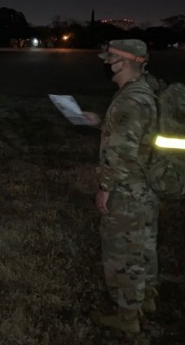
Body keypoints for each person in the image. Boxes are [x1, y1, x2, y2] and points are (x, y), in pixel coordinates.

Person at [84, 39, 159, 335]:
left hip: (128, 190)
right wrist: (101, 122)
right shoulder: (142, 91)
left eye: (109, 59)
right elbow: (135, 135)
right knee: (142, 246)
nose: (105, 64)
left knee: (123, 252)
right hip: (144, 187)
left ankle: (127, 316)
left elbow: (123, 153)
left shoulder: (130, 99)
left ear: (125, 62)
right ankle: (145, 299)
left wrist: (105, 186)